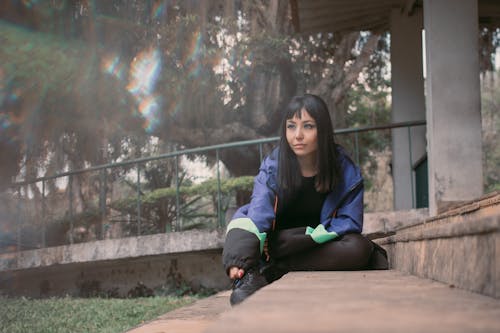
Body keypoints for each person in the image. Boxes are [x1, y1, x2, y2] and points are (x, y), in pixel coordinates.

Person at [222, 94, 387, 306]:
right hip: (274, 240)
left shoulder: (344, 169)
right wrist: (242, 256)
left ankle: (276, 267)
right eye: (291, 126)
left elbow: (349, 222)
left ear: (323, 131)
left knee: (359, 248)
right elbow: (258, 213)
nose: (297, 135)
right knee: (242, 227)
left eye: (308, 126)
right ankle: (250, 276)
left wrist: (300, 240)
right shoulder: (274, 165)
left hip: (312, 242)